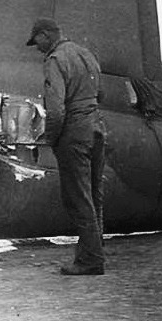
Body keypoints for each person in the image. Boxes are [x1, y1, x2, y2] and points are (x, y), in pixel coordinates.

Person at [26, 18, 105, 275]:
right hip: (96, 128)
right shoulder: (86, 54)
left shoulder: (56, 60)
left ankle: (90, 260)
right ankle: (93, 253)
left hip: (75, 132)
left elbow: (57, 109)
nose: (36, 47)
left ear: (46, 35)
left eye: (36, 40)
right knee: (94, 196)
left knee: (78, 198)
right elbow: (99, 93)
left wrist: (50, 138)